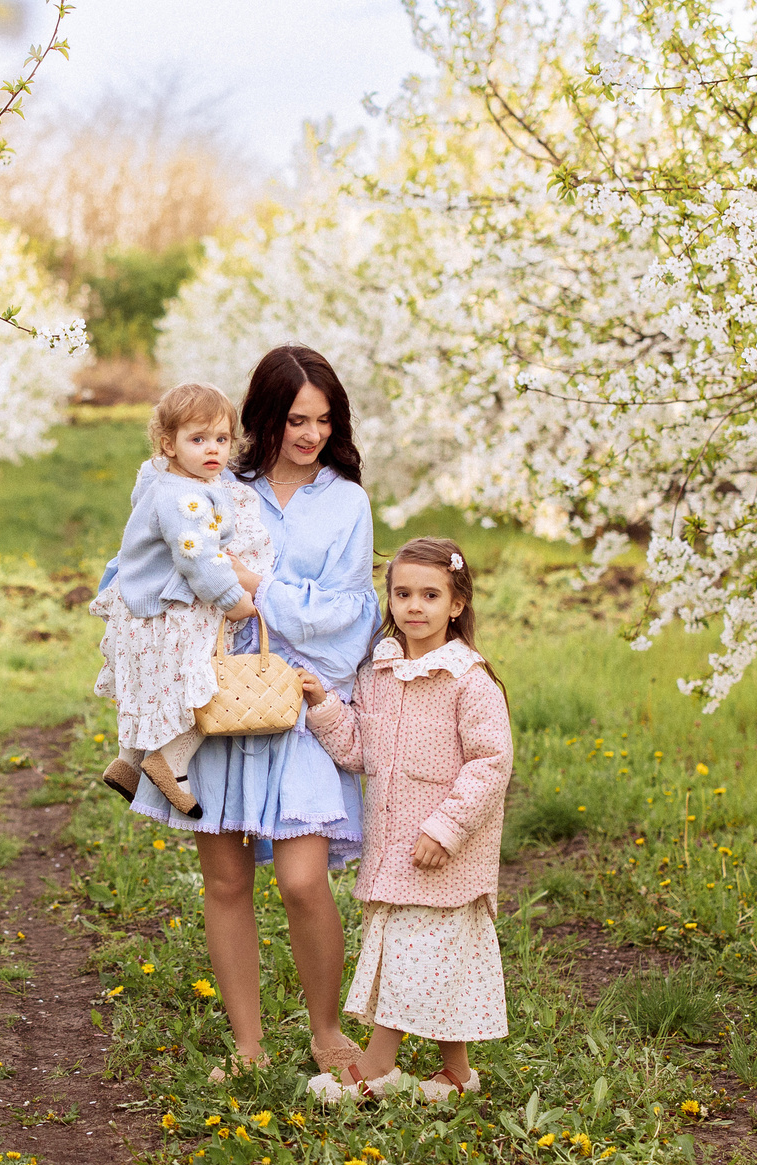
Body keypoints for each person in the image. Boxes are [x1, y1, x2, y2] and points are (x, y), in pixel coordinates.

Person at [125, 344, 376, 1085]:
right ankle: (248, 1046)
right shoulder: (213, 480)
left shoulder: (346, 501)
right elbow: (152, 557)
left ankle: (327, 1032)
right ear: (264, 416)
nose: (310, 435)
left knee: (302, 879)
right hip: (220, 700)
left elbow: (350, 618)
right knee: (227, 882)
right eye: (297, 419)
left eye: (324, 421)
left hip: (294, 700)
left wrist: (262, 591)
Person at [300, 535, 514, 1103]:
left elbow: (491, 763)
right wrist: (322, 702)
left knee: (412, 954)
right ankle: (458, 1075)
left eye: (430, 595)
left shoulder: (468, 679)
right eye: (402, 594)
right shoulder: (378, 673)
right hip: (392, 846)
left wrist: (445, 828)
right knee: (438, 959)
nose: (414, 607)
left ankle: (374, 1068)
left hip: (443, 848)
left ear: (456, 604)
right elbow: (357, 752)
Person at [91, 383, 270, 815]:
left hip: (143, 605)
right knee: (202, 684)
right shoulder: (184, 495)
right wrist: (233, 599)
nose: (213, 451)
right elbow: (199, 559)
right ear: (169, 445)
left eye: (221, 439)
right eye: (198, 439)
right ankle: (170, 763)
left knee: (151, 687)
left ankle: (129, 761)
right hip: (170, 608)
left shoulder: (163, 478)